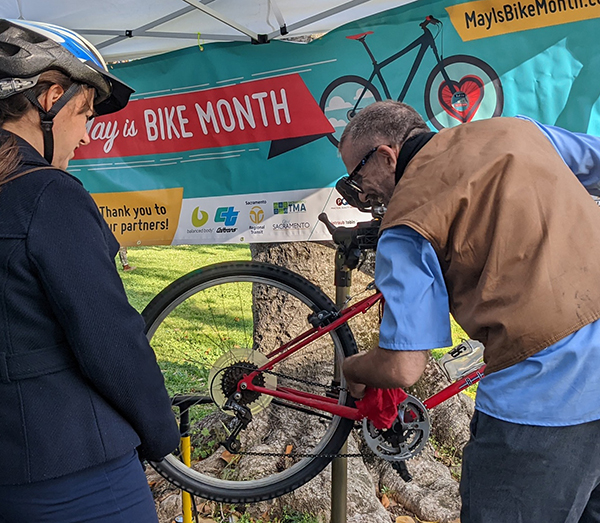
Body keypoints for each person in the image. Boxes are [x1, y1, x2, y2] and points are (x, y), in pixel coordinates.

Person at [337, 101, 600, 523]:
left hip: (542, 403)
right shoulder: (517, 131)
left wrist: (353, 369)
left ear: (386, 156)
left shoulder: (406, 222)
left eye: (358, 175)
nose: (362, 191)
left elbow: (404, 367)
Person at [0, 19, 179, 522]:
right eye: (85, 113)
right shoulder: (46, 196)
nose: (85, 137)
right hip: (71, 467)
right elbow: (110, 340)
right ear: (50, 97)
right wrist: (160, 432)